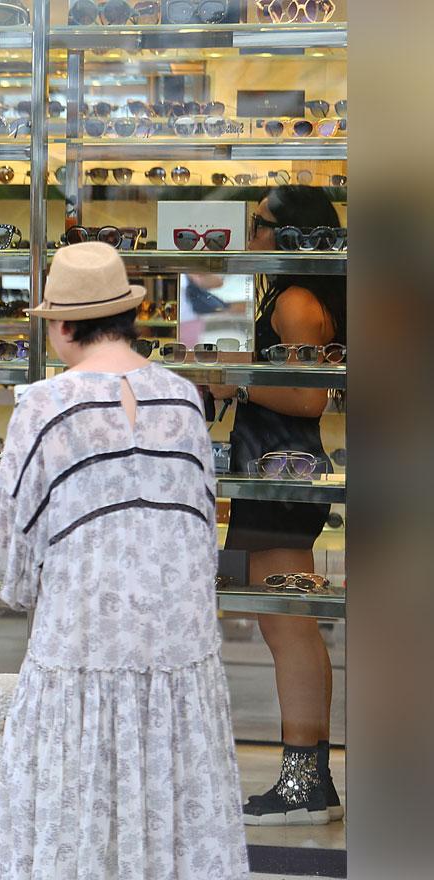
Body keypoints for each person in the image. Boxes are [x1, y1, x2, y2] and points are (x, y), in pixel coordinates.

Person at [0, 241, 249, 879]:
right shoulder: (184, 398)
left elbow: (7, 545)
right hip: (178, 648)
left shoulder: (43, 405)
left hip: (82, 644)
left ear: (63, 325)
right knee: (175, 808)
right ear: (127, 315)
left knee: (75, 818)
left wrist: (24, 582)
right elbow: (200, 521)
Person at [210, 185, 346, 825]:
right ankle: (307, 776)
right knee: (288, 622)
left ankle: (303, 781)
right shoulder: (291, 296)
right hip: (275, 473)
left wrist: (238, 381)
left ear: (289, 236)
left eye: (259, 224)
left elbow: (310, 399)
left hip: (282, 474)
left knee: (287, 623)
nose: (251, 233)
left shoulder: (294, 301)